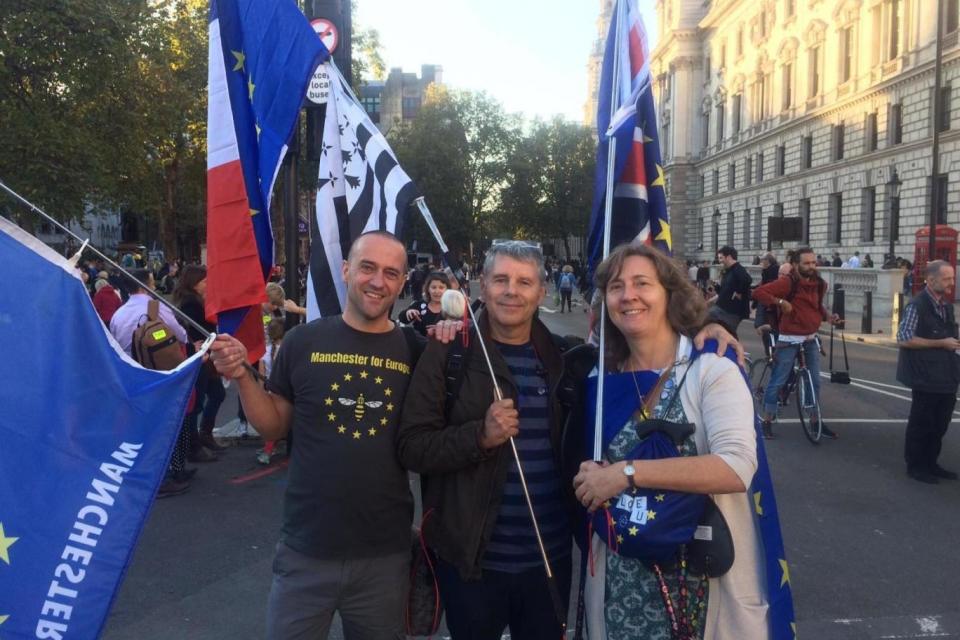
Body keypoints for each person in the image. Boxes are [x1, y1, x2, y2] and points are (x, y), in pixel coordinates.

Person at [209, 231, 423, 640]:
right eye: (367, 267)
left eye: (391, 273)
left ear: (402, 281)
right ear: (345, 271)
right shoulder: (302, 341)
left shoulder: (415, 349)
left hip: (384, 554)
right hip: (306, 549)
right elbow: (274, 426)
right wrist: (242, 376)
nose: (378, 281)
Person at [571, 242, 767, 639]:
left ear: (668, 293)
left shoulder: (711, 370)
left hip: (697, 585)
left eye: (642, 283)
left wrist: (625, 474)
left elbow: (736, 466)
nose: (628, 295)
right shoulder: (599, 379)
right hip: (620, 585)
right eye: (616, 286)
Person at [398, 241, 575, 640]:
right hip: (471, 564)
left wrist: (710, 326)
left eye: (524, 281)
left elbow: (647, 345)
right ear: (482, 285)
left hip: (548, 560)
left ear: (541, 292)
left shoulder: (562, 360)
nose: (512, 290)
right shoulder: (448, 352)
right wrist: (480, 436)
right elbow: (412, 446)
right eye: (501, 279)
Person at [751, 248, 842, 439]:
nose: (811, 266)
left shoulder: (819, 284)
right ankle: (767, 420)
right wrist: (780, 301)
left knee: (815, 382)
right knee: (778, 380)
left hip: (810, 338)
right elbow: (759, 292)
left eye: (813, 262)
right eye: (806, 263)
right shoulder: (787, 282)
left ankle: (816, 421)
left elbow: (817, 306)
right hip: (789, 339)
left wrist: (829, 317)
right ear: (796, 264)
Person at [896, 260, 960, 484]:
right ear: (931, 280)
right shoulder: (917, 305)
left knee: (940, 423)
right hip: (925, 375)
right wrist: (941, 343)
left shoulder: (947, 305)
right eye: (947, 278)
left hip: (947, 375)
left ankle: (931, 463)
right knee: (922, 422)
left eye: (953, 278)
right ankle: (916, 465)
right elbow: (904, 339)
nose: (952, 282)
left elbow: (951, 338)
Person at [174, 265, 224, 461]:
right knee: (196, 403)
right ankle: (193, 446)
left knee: (216, 394)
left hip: (205, 355)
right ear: (194, 284)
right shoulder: (191, 305)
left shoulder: (198, 301)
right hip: (199, 357)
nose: (208, 284)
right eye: (205, 281)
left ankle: (204, 434)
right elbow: (198, 332)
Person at [109, 268, 188, 356]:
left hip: (127, 365)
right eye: (152, 284)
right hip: (153, 364)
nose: (154, 287)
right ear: (142, 288)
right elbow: (179, 334)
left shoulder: (117, 315)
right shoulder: (158, 307)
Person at [256, 319, 287, 465]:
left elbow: (261, 378)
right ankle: (268, 451)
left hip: (270, 390)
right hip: (283, 391)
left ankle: (268, 449)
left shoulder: (265, 352)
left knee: (272, 422)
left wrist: (261, 394)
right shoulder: (288, 349)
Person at [708, 246, 752, 338]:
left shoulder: (738, 269)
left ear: (728, 257)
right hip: (722, 307)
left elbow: (747, 280)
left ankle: (733, 348)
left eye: (721, 258)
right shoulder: (728, 271)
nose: (720, 261)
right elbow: (724, 291)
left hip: (732, 311)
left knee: (727, 333)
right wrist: (716, 286)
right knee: (707, 320)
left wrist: (739, 292)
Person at [399, 270, 449, 336]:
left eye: (441, 287)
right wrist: (408, 312)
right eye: (433, 287)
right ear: (428, 289)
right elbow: (402, 318)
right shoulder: (419, 305)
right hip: (420, 345)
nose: (437, 291)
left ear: (447, 289)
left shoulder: (451, 309)